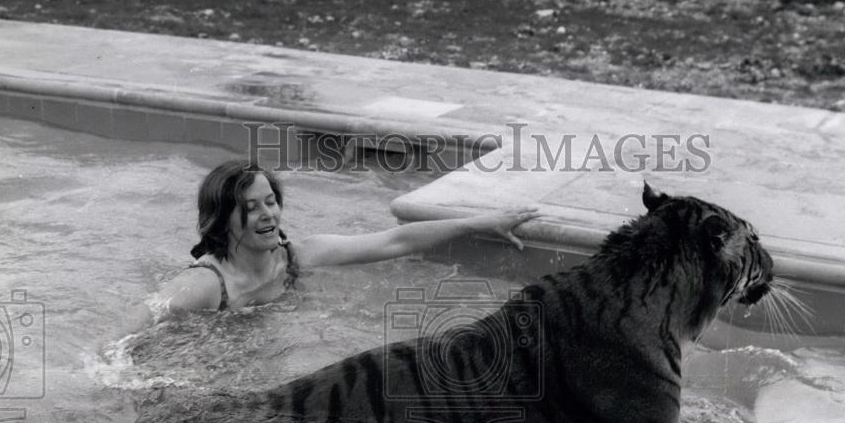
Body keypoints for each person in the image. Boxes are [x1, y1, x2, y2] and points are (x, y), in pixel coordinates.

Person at [130, 160, 539, 327]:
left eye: (271, 202)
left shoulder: (297, 257)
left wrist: (480, 222)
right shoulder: (205, 286)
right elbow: (140, 321)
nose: (268, 215)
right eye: (251, 208)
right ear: (222, 220)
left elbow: (394, 240)